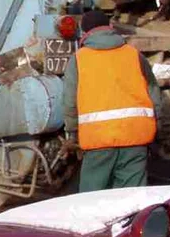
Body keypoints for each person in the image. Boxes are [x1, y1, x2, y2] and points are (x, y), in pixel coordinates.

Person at [62, 10, 163, 192]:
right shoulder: (134, 55)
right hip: (136, 137)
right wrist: (160, 126)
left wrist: (72, 134)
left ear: (85, 33)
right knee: (133, 199)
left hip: (98, 141)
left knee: (93, 201)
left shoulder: (78, 60)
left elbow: (70, 102)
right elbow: (154, 93)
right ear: (110, 28)